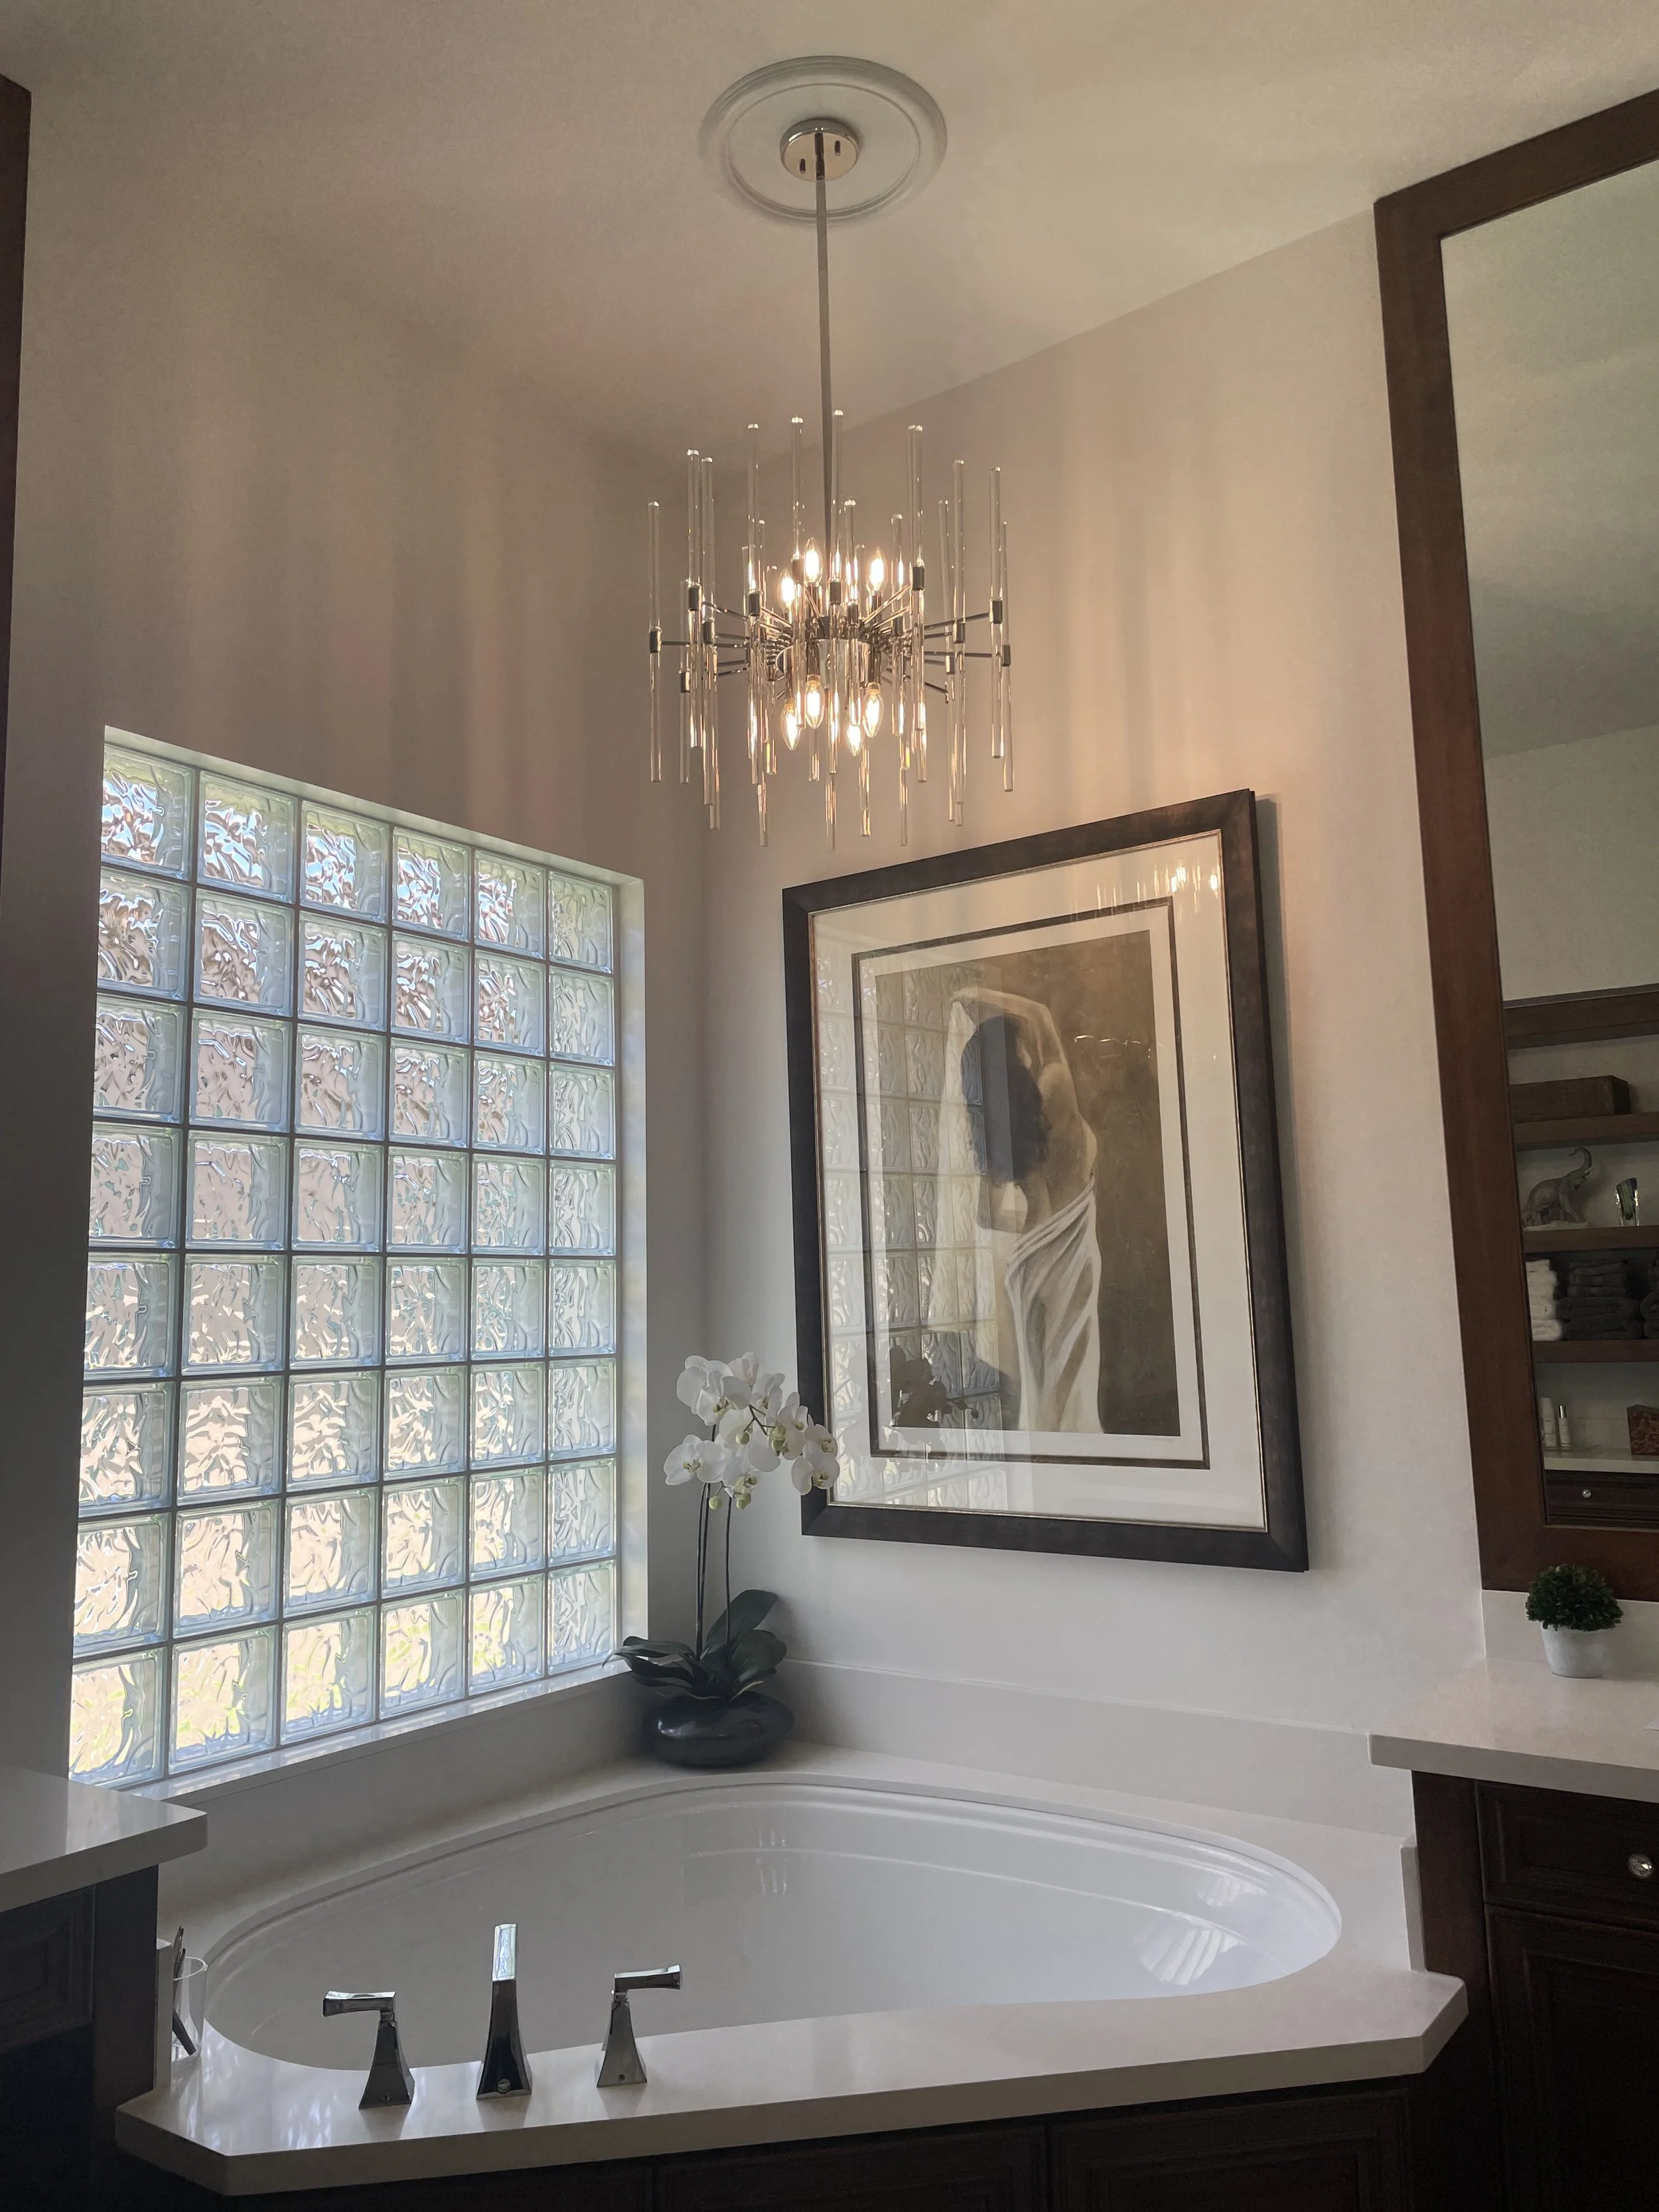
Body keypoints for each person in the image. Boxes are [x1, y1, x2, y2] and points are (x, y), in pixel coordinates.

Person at [940, 984, 1102, 1433]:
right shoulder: (1057, 1090)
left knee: (1047, 1384)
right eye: (1020, 1050)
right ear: (1015, 1063)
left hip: (1029, 1259)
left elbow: (988, 1218)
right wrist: (1000, 1000)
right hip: (1068, 1252)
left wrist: (1032, 1229)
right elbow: (1045, 1020)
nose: (1030, 1054)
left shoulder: (999, 1137)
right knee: (1068, 1383)